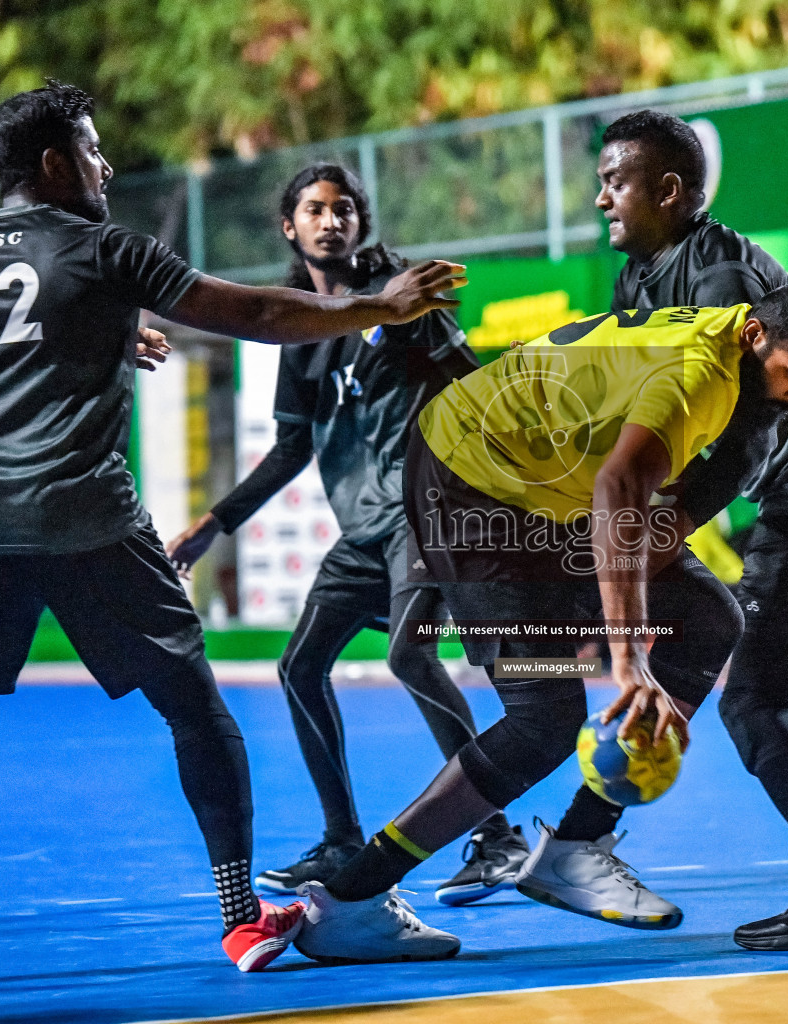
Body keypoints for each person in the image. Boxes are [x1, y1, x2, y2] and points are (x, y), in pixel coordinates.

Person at [0, 81, 464, 993]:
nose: (106, 165)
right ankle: (238, 920)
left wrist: (104, 342)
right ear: (57, 164)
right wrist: (377, 310)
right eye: (94, 149)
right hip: (87, 524)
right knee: (196, 711)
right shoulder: (107, 248)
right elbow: (258, 315)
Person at [511, 110, 788, 953]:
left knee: (757, 695)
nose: (602, 195)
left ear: (669, 191)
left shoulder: (721, 278)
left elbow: (749, 427)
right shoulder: (642, 280)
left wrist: (670, 518)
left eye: (617, 180)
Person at [287, 283, 788, 964]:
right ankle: (350, 901)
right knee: (543, 720)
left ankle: (577, 846)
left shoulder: (731, 351)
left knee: (703, 618)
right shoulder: (699, 378)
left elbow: (646, 511)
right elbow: (620, 492)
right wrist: (628, 655)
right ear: (756, 335)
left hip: (544, 483)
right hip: (474, 481)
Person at [165, 163, 528, 907]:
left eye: (343, 209)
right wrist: (215, 523)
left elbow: (472, 382)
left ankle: (496, 835)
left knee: (411, 655)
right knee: (300, 667)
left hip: (426, 515)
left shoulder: (402, 297)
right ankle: (340, 838)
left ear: (361, 221)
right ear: (289, 227)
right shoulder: (299, 327)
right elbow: (293, 447)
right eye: (314, 210)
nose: (330, 221)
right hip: (364, 531)